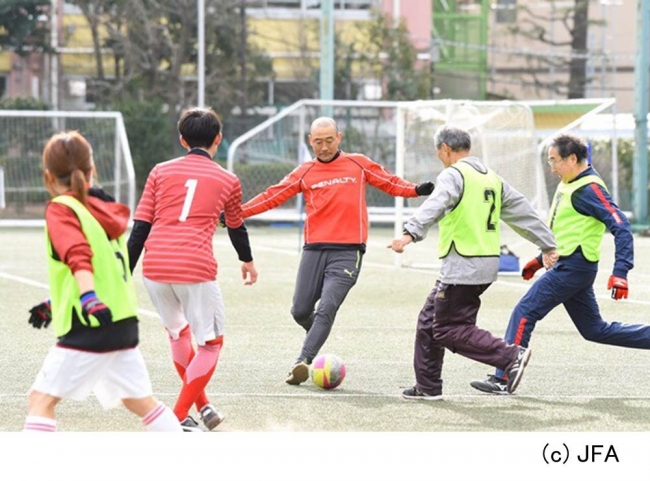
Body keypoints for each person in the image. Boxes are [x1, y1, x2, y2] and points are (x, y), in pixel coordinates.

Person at [242, 116, 434, 385]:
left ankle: (303, 361)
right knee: (299, 311)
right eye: (318, 142)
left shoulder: (358, 164)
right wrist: (239, 213)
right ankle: (319, 332)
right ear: (310, 141)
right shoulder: (305, 172)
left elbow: (389, 182)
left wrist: (415, 190)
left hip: (348, 251)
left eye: (329, 141)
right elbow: (272, 195)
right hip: (313, 250)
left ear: (339, 138)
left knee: (327, 307)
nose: (323, 147)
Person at [24, 131, 182, 432]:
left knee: (40, 400)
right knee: (140, 402)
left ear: (48, 175)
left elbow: (78, 255)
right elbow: (103, 267)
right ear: (92, 170)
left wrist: (87, 299)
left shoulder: (63, 208)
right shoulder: (102, 209)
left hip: (90, 324)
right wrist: (55, 302)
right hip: (121, 322)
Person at [471, 132, 650, 395]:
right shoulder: (571, 182)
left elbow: (621, 225)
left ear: (573, 158)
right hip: (571, 266)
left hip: (573, 269)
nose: (551, 167)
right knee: (594, 330)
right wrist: (539, 260)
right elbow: (567, 232)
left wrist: (621, 271)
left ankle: (503, 378)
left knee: (524, 312)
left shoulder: (589, 189)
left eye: (554, 161)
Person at [390, 124, 558, 400]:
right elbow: (522, 212)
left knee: (448, 328)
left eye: (438, 152)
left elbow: (435, 204)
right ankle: (427, 386)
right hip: (483, 264)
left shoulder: (452, 175)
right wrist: (547, 244)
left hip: (462, 265)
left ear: (445, 149)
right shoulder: (491, 177)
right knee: (428, 321)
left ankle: (511, 356)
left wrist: (410, 233)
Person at [127, 107, 258, 431]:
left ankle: (203, 408)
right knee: (211, 345)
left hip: (155, 267)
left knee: (179, 334)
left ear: (183, 140)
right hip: (195, 269)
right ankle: (176, 418)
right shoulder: (228, 179)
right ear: (218, 139)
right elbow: (236, 226)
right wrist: (247, 261)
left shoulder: (159, 171)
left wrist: (123, 272)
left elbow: (140, 227)